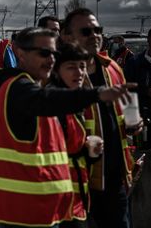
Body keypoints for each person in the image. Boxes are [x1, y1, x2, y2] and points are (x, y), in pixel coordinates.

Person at [0, 27, 133, 228]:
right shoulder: (18, 88)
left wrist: (86, 150)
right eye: (44, 53)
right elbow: (45, 101)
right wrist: (96, 94)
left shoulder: (38, 89)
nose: (51, 59)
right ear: (20, 53)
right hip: (25, 215)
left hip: (50, 211)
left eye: (54, 54)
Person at [61, 8, 138, 228]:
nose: (95, 35)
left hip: (115, 181)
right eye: (86, 31)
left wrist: (135, 123)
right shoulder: (59, 74)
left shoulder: (112, 67)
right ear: (67, 36)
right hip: (77, 183)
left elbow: (128, 109)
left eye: (98, 30)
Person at [50, 42, 102, 227]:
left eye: (82, 67)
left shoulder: (74, 102)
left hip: (76, 199)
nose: (79, 73)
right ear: (56, 70)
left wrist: (90, 152)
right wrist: (84, 150)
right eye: (71, 67)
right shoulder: (52, 103)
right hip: (57, 202)